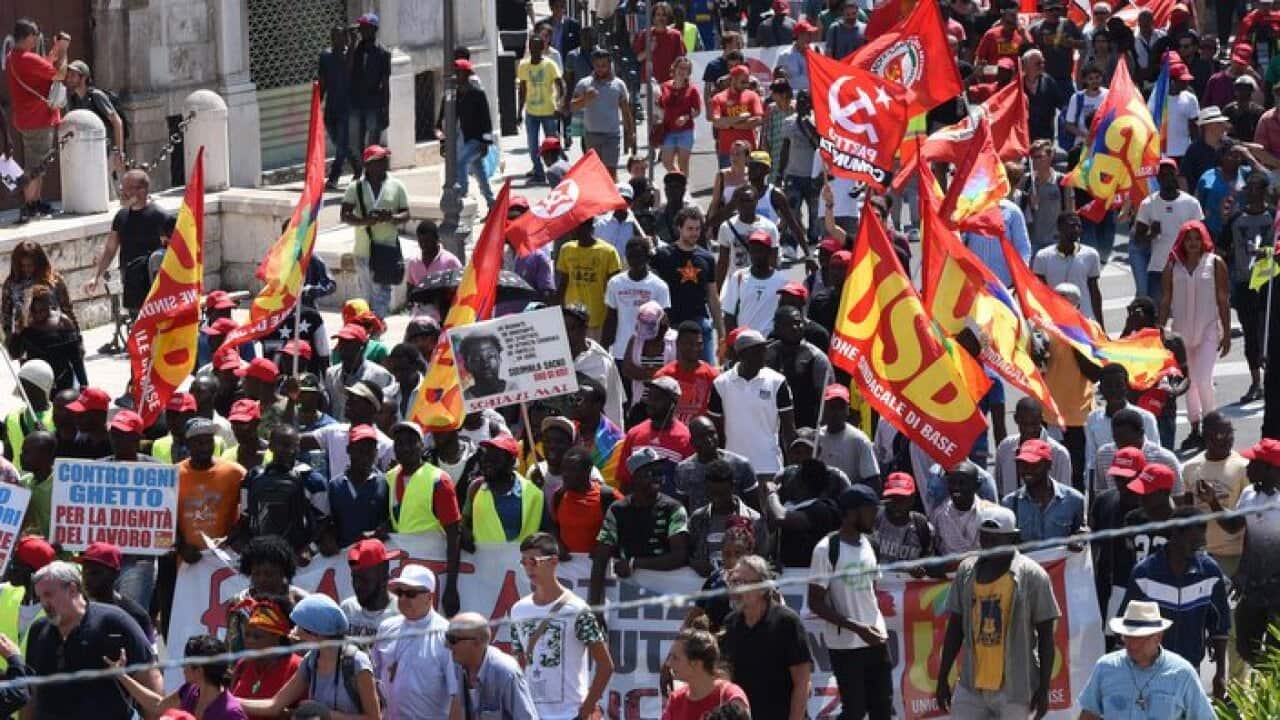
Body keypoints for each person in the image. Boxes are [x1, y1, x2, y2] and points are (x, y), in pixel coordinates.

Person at [935, 505, 1059, 719]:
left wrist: (1044, 689)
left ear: (1013, 538)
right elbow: (955, 627)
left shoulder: (1033, 576)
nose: (988, 545)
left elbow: (1047, 637)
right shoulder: (966, 571)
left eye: (996, 539)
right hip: (971, 685)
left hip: (1015, 689)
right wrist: (942, 677)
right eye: (984, 537)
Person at [25, 561, 162, 720]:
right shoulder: (38, 631)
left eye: (49, 595)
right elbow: (32, 692)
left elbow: (150, 678)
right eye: (40, 597)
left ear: (72, 589)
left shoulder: (113, 622)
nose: (44, 604)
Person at [1120, 506, 1230, 697]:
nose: (1200, 544)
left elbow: (1220, 626)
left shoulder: (1209, 572)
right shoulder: (1144, 573)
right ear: (1176, 533)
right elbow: (1125, 626)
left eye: (1202, 540)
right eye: (1194, 539)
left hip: (1190, 671)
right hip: (1149, 673)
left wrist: (1220, 673)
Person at [808, 486, 891, 719]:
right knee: (854, 711)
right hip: (845, 646)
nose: (876, 515)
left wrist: (872, 627)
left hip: (877, 640)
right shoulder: (826, 549)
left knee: (882, 709)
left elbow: (871, 591)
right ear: (852, 513)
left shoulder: (870, 544)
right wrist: (856, 627)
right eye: (871, 510)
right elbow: (815, 602)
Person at [510, 533, 613, 719]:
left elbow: (605, 665)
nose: (528, 568)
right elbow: (519, 663)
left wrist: (585, 711)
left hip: (569, 714)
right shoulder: (518, 610)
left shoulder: (577, 609)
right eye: (524, 562)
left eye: (534, 561)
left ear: (553, 561)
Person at [237, 594, 380, 719]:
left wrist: (327, 715)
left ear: (316, 633)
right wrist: (228, 700)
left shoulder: (356, 663)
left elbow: (374, 718)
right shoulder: (310, 661)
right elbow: (275, 705)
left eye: (300, 628)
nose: (294, 635)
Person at [1202, 438, 1280, 666]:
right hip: (1253, 588)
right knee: (1246, 646)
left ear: (1269, 469)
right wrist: (1214, 503)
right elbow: (1235, 527)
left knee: (1276, 651)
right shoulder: (1249, 494)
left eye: (1253, 462)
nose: (1247, 467)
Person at [1158, 221, 1231, 451]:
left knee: (1202, 379)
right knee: (1189, 382)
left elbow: (1222, 299)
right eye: (1188, 239)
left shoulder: (1215, 263)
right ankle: (1195, 428)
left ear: (1204, 240)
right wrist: (1159, 329)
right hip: (1181, 334)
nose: (1193, 243)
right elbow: (1166, 299)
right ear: (1182, 241)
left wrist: (1226, 333)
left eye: (1197, 239)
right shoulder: (1173, 267)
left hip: (1209, 329)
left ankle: (1213, 425)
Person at [1078, 600, 1216, 719]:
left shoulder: (1182, 673)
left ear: (1158, 637)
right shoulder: (1106, 667)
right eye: (1127, 636)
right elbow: (1089, 714)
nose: (1131, 644)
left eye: (1138, 638)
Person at [589, 448, 690, 604]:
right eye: (651, 472)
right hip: (627, 596)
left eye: (660, 472)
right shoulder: (617, 510)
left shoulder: (675, 508)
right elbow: (601, 557)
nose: (658, 477)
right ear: (635, 477)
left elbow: (679, 556)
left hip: (668, 597)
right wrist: (595, 607)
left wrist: (635, 564)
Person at [720, 555, 813, 720]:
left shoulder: (787, 623)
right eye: (733, 582)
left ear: (763, 587)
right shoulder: (730, 624)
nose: (735, 590)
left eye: (742, 583)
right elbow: (726, 680)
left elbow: (802, 683)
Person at [385, 422, 461, 613]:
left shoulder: (438, 480)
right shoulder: (390, 477)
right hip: (403, 569)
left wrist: (451, 586)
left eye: (411, 442)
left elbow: (454, 534)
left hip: (433, 568)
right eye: (399, 442)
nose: (404, 447)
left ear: (422, 446)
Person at [709, 330, 795, 483]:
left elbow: (788, 430)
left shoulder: (778, 382)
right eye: (758, 350)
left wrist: (793, 468)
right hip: (732, 469)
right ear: (742, 354)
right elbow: (716, 431)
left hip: (769, 468)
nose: (765, 353)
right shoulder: (720, 384)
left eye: (764, 349)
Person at [5, 18, 68, 222]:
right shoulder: (27, 58)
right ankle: (30, 204)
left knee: (38, 162)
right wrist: (64, 51)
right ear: (29, 36)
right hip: (37, 118)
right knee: (35, 165)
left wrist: (52, 54)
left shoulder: (13, 57)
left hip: (27, 118)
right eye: (35, 36)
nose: (37, 39)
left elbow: (41, 69)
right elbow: (59, 74)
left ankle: (35, 202)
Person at [372, 565, 454, 720]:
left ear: (429, 597)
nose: (403, 599)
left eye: (411, 593)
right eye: (400, 592)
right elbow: (373, 678)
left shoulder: (446, 635)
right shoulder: (386, 627)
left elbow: (457, 696)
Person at [339, 146, 410, 318]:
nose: (385, 163)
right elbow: (345, 215)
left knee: (382, 293)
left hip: (387, 250)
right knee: (367, 295)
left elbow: (406, 214)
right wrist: (365, 221)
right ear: (368, 165)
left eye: (385, 159)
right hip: (364, 250)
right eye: (380, 160)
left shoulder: (397, 186)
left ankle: (376, 328)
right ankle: (370, 326)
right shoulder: (355, 188)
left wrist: (391, 217)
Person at [109, 634, 248, 720]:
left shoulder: (232, 713)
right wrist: (122, 676)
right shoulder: (190, 691)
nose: (182, 667)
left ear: (199, 670)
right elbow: (157, 705)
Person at [1133, 158, 1204, 303]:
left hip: (1186, 268)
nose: (1167, 178)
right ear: (1158, 178)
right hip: (1158, 268)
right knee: (1157, 317)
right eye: (1163, 175)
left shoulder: (1191, 203)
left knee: (1185, 314)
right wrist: (1151, 234)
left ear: (1176, 175)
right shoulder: (1148, 204)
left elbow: (1202, 236)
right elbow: (1138, 240)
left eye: (1170, 174)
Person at [176, 419, 246, 564]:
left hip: (225, 558)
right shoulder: (174, 474)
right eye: (199, 442)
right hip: (186, 561)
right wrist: (181, 546)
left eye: (209, 441)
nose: (205, 447)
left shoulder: (235, 473)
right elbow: (166, 516)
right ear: (188, 444)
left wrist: (229, 539)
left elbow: (248, 513)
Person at [1188, 413, 1248, 580]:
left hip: (1232, 555)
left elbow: (1245, 521)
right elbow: (1186, 513)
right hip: (1199, 553)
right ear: (1206, 436)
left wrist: (1213, 502)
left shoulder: (1244, 468)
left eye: (1231, 433)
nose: (1229, 439)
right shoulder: (1190, 468)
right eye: (1222, 434)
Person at [446, 612, 539, 719]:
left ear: (476, 642)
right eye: (447, 638)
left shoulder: (506, 673)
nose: (448, 645)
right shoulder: (458, 666)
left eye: (453, 640)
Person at [460, 435, 545, 549]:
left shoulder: (534, 493)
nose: (487, 462)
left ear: (511, 463)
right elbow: (463, 523)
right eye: (486, 457)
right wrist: (464, 532)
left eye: (495, 458)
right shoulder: (476, 487)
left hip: (521, 563)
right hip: (484, 561)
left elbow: (546, 530)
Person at [603, 238, 672, 377]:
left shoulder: (659, 286)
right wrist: (604, 347)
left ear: (647, 257)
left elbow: (665, 323)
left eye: (639, 257)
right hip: (621, 350)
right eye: (630, 257)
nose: (634, 261)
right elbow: (611, 318)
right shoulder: (615, 283)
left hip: (647, 354)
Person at [1085, 364, 1161, 489]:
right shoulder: (1093, 419)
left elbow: (1154, 456)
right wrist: (1092, 493)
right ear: (1101, 389)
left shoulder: (1146, 418)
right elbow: (1091, 461)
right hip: (1109, 489)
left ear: (1127, 386)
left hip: (1141, 487)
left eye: (1119, 385)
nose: (1113, 390)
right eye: (1108, 385)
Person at [688, 460, 768, 575]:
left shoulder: (754, 520)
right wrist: (697, 565)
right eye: (712, 493)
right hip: (706, 586)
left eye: (722, 493)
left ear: (732, 486)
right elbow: (688, 554)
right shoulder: (697, 518)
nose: (717, 498)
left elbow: (763, 559)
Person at [436, 59, 496, 209]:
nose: (455, 76)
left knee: (461, 163)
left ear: (467, 74)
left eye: (458, 72)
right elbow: (442, 119)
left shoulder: (477, 94)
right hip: (460, 138)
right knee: (479, 171)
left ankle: (462, 198)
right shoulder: (452, 95)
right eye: (454, 72)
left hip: (475, 139)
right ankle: (492, 203)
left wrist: (486, 143)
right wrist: (443, 141)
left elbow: (486, 120)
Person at [1000, 438, 1086, 542]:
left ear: (1048, 465)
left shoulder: (1074, 500)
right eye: (1022, 464)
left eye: (1033, 465)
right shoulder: (1009, 504)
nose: (1027, 470)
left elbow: (1082, 534)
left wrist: (1080, 538)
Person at [615, 376, 692, 490]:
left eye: (657, 398)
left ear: (672, 403)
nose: (650, 402)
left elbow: (687, 484)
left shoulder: (686, 438)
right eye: (649, 397)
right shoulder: (634, 434)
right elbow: (625, 480)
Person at [2, 242, 77, 357]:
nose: (27, 269)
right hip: (28, 342)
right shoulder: (11, 284)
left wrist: (77, 339)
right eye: (22, 266)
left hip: (55, 336)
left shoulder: (54, 280)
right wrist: (11, 342)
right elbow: (6, 315)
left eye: (30, 265)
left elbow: (67, 309)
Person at [662, 621, 750, 719]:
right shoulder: (676, 700)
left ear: (696, 663)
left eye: (675, 658)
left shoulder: (729, 696)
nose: (668, 663)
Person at [323, 424, 391, 548]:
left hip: (374, 557)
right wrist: (329, 539)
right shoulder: (335, 486)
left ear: (376, 452)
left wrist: (378, 533)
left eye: (370, 450)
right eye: (360, 450)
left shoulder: (385, 483)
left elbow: (391, 522)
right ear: (349, 450)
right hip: (343, 560)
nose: (365, 456)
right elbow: (330, 524)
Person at [229, 596, 300, 714]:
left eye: (257, 637)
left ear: (277, 638)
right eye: (247, 635)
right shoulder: (243, 664)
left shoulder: (297, 667)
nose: (249, 641)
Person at [571, 48, 635, 177]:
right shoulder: (584, 84)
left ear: (609, 65)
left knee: (611, 172)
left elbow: (626, 112)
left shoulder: (618, 85)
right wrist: (585, 99)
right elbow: (572, 107)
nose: (601, 69)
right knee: (595, 172)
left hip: (612, 135)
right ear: (593, 65)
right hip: (591, 135)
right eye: (597, 65)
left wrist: (630, 133)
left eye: (604, 65)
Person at [73, 541, 154, 641]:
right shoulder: (74, 611)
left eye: (95, 573)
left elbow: (151, 654)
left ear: (115, 574)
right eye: (84, 571)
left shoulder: (136, 615)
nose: (87, 578)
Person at [766, 306, 831, 429]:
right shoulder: (767, 356)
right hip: (771, 428)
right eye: (788, 324)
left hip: (806, 430)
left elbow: (827, 399)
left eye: (798, 323)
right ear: (777, 328)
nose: (795, 328)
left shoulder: (816, 357)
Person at [994, 397, 1072, 498]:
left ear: (1041, 419)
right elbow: (999, 488)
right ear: (1016, 419)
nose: (1029, 430)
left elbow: (1064, 495)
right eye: (1024, 424)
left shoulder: (1059, 454)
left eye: (1034, 424)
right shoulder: (1005, 448)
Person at [1033, 213, 1104, 323]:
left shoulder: (1091, 255)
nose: (1076, 229)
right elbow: (1039, 293)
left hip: (1084, 320)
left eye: (1079, 226)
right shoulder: (1042, 257)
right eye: (1071, 225)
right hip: (1055, 321)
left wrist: (1101, 326)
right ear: (1059, 228)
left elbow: (1094, 292)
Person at [556, 227, 622, 343]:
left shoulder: (608, 251)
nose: (573, 231)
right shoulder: (566, 249)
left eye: (578, 228)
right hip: (572, 319)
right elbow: (563, 283)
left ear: (590, 227)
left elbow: (614, 289)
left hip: (597, 318)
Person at [14, 286, 85, 392]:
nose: (38, 314)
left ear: (49, 305)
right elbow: (15, 354)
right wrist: (18, 331)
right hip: (38, 383)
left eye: (41, 310)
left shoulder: (63, 322)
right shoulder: (27, 328)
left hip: (64, 379)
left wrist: (84, 383)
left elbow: (76, 358)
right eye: (34, 311)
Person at [326, 325, 400, 423]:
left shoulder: (380, 375)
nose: (342, 347)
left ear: (363, 346)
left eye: (348, 343)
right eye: (341, 342)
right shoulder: (331, 373)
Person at [517, 34, 565, 185]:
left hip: (549, 112)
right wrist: (519, 111)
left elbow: (560, 85)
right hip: (531, 112)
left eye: (538, 47)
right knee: (532, 146)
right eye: (532, 47)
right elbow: (522, 90)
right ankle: (538, 172)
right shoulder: (524, 66)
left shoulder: (550, 64)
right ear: (529, 48)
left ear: (542, 48)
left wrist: (559, 104)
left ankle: (560, 170)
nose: (535, 50)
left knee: (554, 145)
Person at [655, 322, 720, 424]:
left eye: (699, 344)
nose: (695, 348)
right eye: (690, 344)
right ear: (678, 343)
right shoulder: (663, 376)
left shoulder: (712, 376)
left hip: (699, 435)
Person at [340, 539, 400, 638]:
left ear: (384, 577)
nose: (357, 585)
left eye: (365, 579)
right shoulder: (347, 609)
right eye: (354, 577)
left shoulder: (400, 616)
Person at [874, 473, 936, 569]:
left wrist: (921, 568)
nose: (896, 504)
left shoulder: (921, 526)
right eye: (892, 498)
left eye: (902, 499)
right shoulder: (874, 519)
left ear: (912, 499)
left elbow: (929, 561)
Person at [318, 26, 354, 188]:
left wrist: (352, 45)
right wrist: (318, 102)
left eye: (341, 36)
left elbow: (349, 69)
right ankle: (359, 167)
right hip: (332, 106)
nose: (338, 40)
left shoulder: (350, 55)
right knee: (340, 142)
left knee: (341, 144)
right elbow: (323, 80)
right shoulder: (325, 57)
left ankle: (334, 176)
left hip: (347, 108)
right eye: (335, 36)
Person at [349, 13, 390, 152]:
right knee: (356, 142)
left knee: (372, 143)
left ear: (374, 29)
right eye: (361, 27)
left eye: (365, 27)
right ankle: (361, 170)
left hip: (373, 104)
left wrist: (386, 110)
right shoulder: (356, 49)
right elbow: (348, 69)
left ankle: (372, 171)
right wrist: (352, 43)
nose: (361, 30)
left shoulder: (383, 53)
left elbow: (385, 84)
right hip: (357, 103)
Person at [710, 67, 763, 172]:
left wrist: (730, 124)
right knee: (727, 183)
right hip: (727, 150)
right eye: (743, 82)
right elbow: (716, 122)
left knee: (749, 183)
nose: (746, 85)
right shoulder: (719, 98)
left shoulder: (752, 96)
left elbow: (758, 120)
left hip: (748, 150)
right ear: (733, 79)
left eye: (747, 82)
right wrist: (740, 118)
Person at [1, 359, 53, 462]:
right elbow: (8, 456)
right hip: (19, 477)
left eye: (23, 384)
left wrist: (48, 438)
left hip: (48, 477)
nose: (20, 389)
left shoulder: (59, 416)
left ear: (38, 387)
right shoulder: (11, 417)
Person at [657, 57, 701, 175]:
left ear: (689, 72)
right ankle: (680, 179)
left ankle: (682, 187)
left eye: (686, 69)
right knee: (666, 162)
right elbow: (661, 106)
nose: (682, 71)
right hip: (668, 130)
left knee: (683, 163)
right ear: (674, 68)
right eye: (680, 68)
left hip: (685, 130)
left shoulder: (692, 90)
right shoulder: (664, 86)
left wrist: (686, 117)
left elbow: (697, 111)